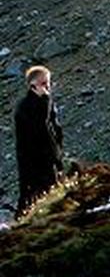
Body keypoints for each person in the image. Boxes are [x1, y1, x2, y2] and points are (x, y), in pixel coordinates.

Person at [14, 64, 64, 216]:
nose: (47, 87)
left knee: (54, 192)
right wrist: (45, 101)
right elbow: (40, 127)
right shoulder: (25, 107)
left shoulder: (46, 103)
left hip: (50, 156)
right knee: (35, 194)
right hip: (34, 160)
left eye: (48, 83)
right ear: (32, 85)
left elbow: (53, 129)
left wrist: (58, 152)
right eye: (43, 83)